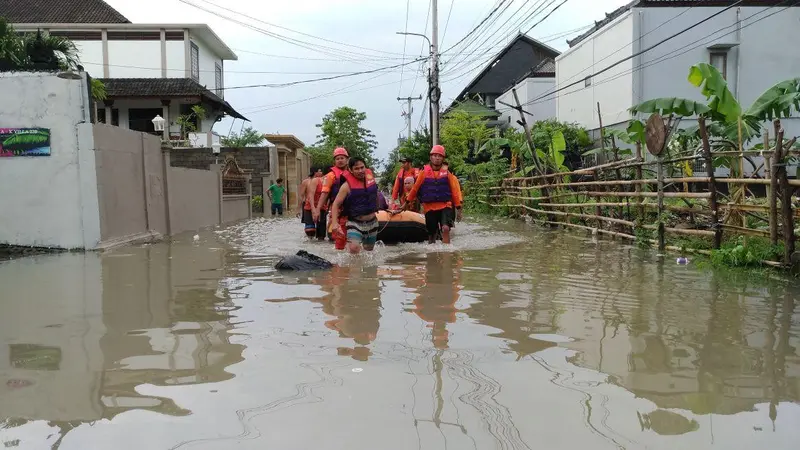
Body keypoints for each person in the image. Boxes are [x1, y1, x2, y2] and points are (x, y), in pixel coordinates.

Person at [404, 145, 463, 244]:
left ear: (443, 158)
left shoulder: (448, 173)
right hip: (429, 207)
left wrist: (459, 208)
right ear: (431, 157)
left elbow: (455, 190)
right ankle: (432, 256)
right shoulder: (423, 173)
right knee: (431, 234)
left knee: (445, 228)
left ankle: (446, 252)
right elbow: (415, 189)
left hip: (445, 205)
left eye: (439, 156)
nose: (437, 158)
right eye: (435, 155)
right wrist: (407, 202)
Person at [330, 157, 381, 254]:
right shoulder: (346, 186)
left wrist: (378, 206)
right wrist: (335, 223)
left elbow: (375, 194)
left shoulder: (371, 179)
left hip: (372, 222)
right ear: (350, 170)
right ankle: (352, 268)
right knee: (354, 248)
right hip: (355, 222)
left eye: (362, 167)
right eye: (356, 169)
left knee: (369, 252)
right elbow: (336, 204)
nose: (360, 171)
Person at [314, 147, 350, 250]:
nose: (340, 160)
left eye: (342, 158)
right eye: (337, 158)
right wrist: (317, 210)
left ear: (347, 159)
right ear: (334, 161)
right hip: (338, 209)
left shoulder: (353, 172)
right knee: (340, 236)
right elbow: (324, 193)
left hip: (352, 208)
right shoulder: (330, 176)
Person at [301, 167, 327, 239]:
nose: (321, 173)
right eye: (319, 171)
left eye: (321, 171)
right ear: (314, 172)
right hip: (309, 205)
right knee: (310, 231)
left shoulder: (326, 181)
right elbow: (303, 195)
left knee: (321, 235)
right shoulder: (306, 181)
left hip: (322, 207)